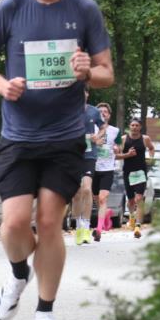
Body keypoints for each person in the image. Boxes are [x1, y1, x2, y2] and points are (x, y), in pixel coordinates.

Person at [0, 0, 113, 320]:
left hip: (65, 137)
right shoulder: (10, 8)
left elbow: (106, 74)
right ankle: (17, 276)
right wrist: (3, 86)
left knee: (50, 224)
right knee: (14, 225)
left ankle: (45, 313)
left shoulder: (84, 10)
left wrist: (90, 71)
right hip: (18, 135)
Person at [72, 88, 105, 245]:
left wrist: (97, 136)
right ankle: (78, 227)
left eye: (84, 92)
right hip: (72, 155)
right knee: (77, 193)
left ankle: (85, 227)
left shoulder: (94, 111)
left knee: (86, 189)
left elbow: (103, 127)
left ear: (87, 94)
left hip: (89, 154)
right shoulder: (68, 109)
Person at [116, 118, 155, 239]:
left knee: (139, 198)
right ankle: (132, 217)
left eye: (136, 125)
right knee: (131, 201)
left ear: (140, 127)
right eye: (132, 125)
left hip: (141, 172)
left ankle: (138, 226)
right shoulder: (123, 139)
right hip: (128, 173)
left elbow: (151, 148)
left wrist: (151, 157)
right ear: (129, 126)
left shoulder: (145, 139)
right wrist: (127, 155)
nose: (134, 127)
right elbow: (117, 156)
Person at [91, 102, 122, 241]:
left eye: (105, 112)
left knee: (103, 198)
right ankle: (106, 214)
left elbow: (119, 147)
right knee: (96, 198)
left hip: (108, 168)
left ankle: (98, 230)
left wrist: (117, 149)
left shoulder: (115, 131)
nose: (103, 113)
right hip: (92, 166)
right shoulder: (90, 128)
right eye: (100, 112)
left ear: (109, 115)